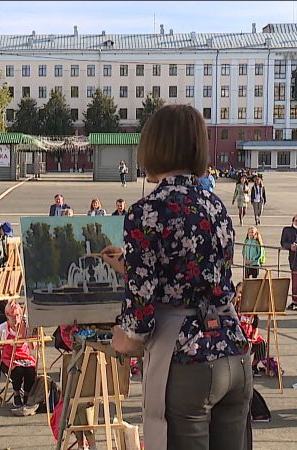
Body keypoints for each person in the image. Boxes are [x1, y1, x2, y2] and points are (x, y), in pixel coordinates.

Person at [100, 105, 250, 450]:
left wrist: (122, 338)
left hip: (185, 361)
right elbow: (204, 275)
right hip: (232, 348)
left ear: (153, 147)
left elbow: (140, 318)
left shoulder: (145, 211)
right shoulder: (216, 206)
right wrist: (132, 267)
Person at [0, 302, 37, 408]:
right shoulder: (1, 329)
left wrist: (31, 334)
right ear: (7, 316)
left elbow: (33, 347)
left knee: (31, 370)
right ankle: (16, 395)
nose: (16, 318)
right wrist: (0, 362)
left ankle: (27, 395)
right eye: (13, 316)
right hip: (8, 359)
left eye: (18, 315)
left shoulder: (26, 326)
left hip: (24, 356)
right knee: (18, 370)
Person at [234, 282, 267, 376]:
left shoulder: (252, 309)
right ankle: (241, 367)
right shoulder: (234, 308)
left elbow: (255, 326)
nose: (241, 296)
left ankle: (253, 366)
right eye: (239, 293)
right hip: (238, 335)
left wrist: (254, 336)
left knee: (262, 343)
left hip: (250, 336)